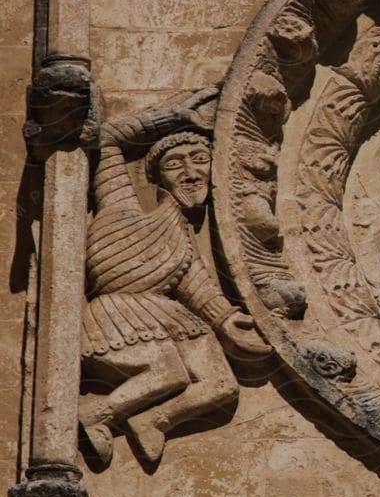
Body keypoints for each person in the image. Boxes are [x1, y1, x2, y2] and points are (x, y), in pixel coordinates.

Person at [79, 99, 269, 467]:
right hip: (118, 315)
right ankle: (97, 414)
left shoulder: (183, 244)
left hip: (165, 317)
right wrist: (176, 115)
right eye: (174, 164)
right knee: (168, 369)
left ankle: (152, 419)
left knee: (222, 385)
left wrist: (229, 322)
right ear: (156, 177)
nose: (191, 173)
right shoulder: (122, 209)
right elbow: (108, 141)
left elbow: (199, 288)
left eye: (200, 160)